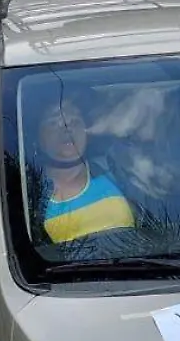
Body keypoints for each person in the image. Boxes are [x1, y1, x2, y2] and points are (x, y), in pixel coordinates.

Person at [34, 98, 134, 244]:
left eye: (75, 121)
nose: (67, 128)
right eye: (53, 123)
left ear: (87, 133)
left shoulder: (116, 169)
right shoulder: (28, 192)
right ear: (37, 137)